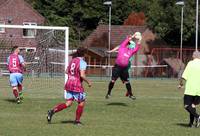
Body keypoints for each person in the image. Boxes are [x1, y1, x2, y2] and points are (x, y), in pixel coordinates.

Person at [47, 47, 92, 125]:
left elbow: (66, 71)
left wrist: (72, 75)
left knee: (68, 103)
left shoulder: (72, 60)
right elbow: (82, 75)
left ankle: (52, 111)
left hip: (69, 83)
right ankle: (77, 121)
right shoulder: (82, 62)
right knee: (81, 102)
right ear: (84, 54)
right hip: (76, 85)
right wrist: (88, 82)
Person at [105, 32, 142, 100]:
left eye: (129, 44)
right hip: (117, 67)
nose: (129, 45)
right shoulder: (122, 47)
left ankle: (130, 95)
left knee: (127, 81)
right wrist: (133, 36)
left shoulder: (130, 51)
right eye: (128, 44)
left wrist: (139, 40)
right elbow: (126, 40)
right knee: (113, 80)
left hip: (124, 69)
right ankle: (109, 93)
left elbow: (136, 48)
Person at [178, 51, 200, 128]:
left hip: (191, 89)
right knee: (193, 106)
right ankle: (191, 124)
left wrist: (181, 84)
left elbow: (184, 76)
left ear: (193, 56)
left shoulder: (190, 63)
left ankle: (198, 117)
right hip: (199, 91)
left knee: (186, 105)